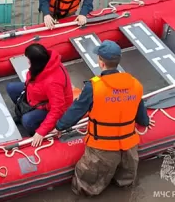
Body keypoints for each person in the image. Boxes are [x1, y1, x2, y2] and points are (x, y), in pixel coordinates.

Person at [54, 40, 155, 197]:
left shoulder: (93, 87)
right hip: (129, 148)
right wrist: (146, 122)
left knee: (85, 187)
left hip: (102, 149)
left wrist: (59, 126)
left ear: (101, 62)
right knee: (125, 186)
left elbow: (75, 112)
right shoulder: (135, 84)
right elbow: (140, 112)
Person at [6, 43, 73, 147]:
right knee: (11, 88)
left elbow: (57, 108)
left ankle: (37, 135)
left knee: (27, 120)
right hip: (38, 94)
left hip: (49, 106)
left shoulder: (53, 82)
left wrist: (41, 131)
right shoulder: (43, 65)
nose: (27, 61)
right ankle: (23, 114)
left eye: (29, 59)